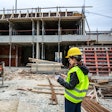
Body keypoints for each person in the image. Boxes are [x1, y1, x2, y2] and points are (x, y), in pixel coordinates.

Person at [55, 47, 89, 112]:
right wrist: (66, 77)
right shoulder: (82, 69)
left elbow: (70, 86)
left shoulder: (75, 71)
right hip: (79, 98)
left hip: (71, 99)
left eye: (69, 59)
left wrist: (59, 79)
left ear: (74, 59)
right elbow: (78, 81)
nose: (69, 61)